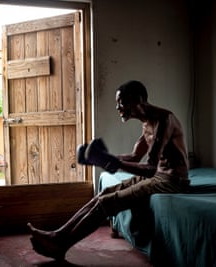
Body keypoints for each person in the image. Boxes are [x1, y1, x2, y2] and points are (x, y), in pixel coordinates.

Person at [27, 80, 190, 260]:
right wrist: (100, 157)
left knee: (107, 203)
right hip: (158, 177)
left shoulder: (164, 120)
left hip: (172, 181)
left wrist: (112, 162)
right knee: (102, 194)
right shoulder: (147, 124)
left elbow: (150, 169)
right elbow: (135, 156)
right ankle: (57, 235)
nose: (118, 108)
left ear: (137, 99)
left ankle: (60, 247)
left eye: (121, 102)